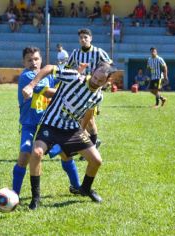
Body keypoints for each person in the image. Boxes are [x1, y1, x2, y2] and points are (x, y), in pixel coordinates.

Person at [22, 62, 117, 210]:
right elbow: (48, 68)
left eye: (100, 81)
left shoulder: (98, 96)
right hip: (51, 125)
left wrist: (82, 131)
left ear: (106, 82)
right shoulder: (74, 77)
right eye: (95, 77)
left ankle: (85, 188)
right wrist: (31, 85)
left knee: (97, 160)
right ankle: (36, 197)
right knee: (36, 153)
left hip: (72, 130)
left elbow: (88, 114)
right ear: (93, 72)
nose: (95, 81)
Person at [13, 46, 81, 197]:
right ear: (23, 62)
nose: (33, 62)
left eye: (36, 59)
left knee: (65, 154)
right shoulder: (27, 76)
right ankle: (14, 194)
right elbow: (49, 93)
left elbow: (63, 77)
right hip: (29, 125)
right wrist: (73, 93)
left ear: (41, 60)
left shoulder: (48, 75)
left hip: (48, 125)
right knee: (24, 155)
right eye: (29, 60)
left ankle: (77, 187)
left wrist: (78, 76)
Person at [67, 28, 112, 159]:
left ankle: (91, 146)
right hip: (79, 89)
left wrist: (105, 80)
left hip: (93, 89)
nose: (83, 39)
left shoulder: (98, 52)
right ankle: (92, 143)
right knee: (79, 118)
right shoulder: (75, 53)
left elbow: (109, 65)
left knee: (89, 119)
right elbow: (68, 68)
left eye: (86, 37)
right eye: (81, 37)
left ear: (91, 38)